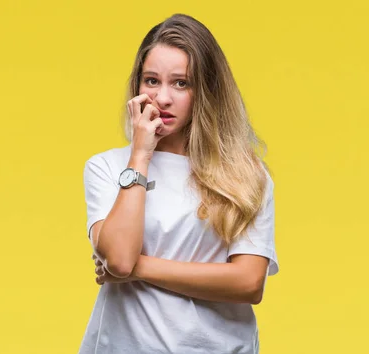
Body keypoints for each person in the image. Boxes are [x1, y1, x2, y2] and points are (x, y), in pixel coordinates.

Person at [79, 14, 278, 354]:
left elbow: (248, 283)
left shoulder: (245, 173)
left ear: (206, 90)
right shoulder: (107, 167)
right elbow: (119, 260)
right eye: (151, 81)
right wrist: (140, 155)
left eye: (181, 83)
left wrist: (138, 268)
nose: (163, 97)